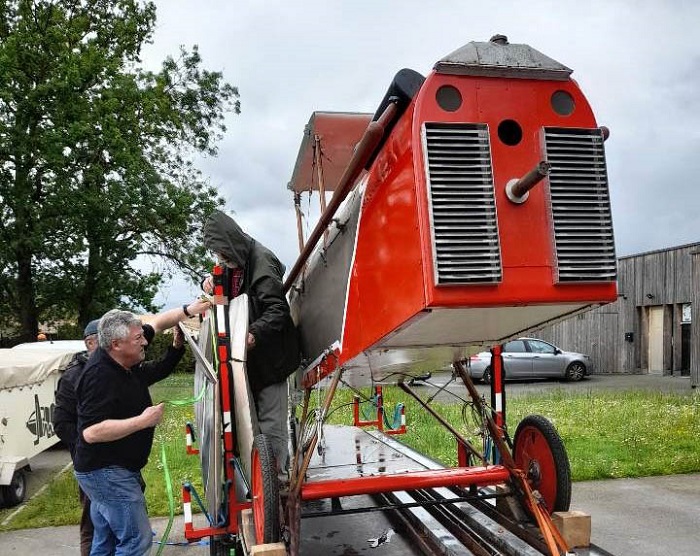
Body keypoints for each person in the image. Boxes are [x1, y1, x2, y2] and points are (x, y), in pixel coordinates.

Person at [53, 298, 207, 556]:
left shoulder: (123, 356)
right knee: (136, 541)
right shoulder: (98, 377)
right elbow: (91, 432)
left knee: (106, 541)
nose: (145, 341)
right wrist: (142, 421)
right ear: (116, 344)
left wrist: (189, 310)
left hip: (108, 470)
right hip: (106, 473)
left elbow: (157, 323)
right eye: (138, 339)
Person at [202, 210, 300, 470]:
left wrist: (253, 334)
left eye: (222, 253)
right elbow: (225, 282)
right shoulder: (237, 261)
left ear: (231, 244)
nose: (220, 259)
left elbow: (278, 310)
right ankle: (259, 480)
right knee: (251, 424)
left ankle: (276, 482)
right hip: (247, 360)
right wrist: (208, 282)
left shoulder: (262, 263)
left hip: (272, 359)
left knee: (271, 425)